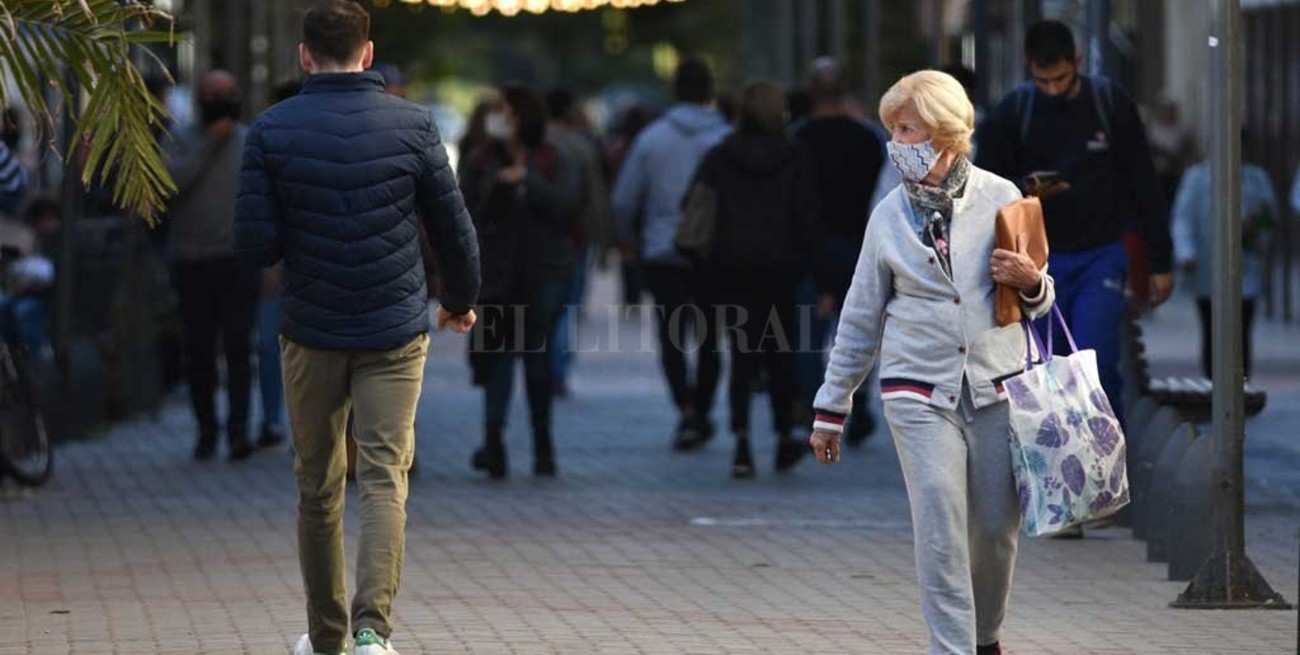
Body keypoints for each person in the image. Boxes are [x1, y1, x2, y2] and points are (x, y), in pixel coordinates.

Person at [234, 2, 480, 654]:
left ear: (304, 55)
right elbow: (454, 229)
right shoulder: (414, 125)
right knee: (383, 477)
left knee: (317, 487)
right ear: (367, 54)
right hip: (394, 328)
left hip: (309, 329)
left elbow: (254, 244)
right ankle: (373, 633)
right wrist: (459, 300)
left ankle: (326, 638)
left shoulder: (270, 130)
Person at [810, 70, 1054, 655]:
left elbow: (1042, 302)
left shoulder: (1002, 197)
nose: (895, 142)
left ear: (944, 133)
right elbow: (860, 315)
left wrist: (1031, 281)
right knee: (941, 528)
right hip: (916, 390)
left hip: (996, 387)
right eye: (893, 129)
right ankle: (951, 648)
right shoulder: (889, 215)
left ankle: (985, 637)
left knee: (994, 530)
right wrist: (831, 407)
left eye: (907, 129)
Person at [976, 20, 1173, 426]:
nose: (1052, 89)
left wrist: (1160, 261)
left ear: (1077, 63)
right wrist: (1026, 188)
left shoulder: (1109, 104)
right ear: (1029, 67)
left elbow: (1144, 181)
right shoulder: (1014, 112)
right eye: (1042, 80)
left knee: (1094, 358)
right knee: (1047, 367)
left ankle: (1107, 451)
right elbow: (985, 187)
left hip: (1101, 252)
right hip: (1037, 262)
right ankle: (1057, 453)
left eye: (1060, 79)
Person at [686, 79, 819, 478]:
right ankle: (783, 434)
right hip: (782, 270)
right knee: (781, 354)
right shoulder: (796, 155)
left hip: (731, 268)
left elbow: (694, 205)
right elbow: (808, 215)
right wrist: (813, 267)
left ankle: (742, 443)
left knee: (742, 356)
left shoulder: (720, 155)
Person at [611, 59, 730, 451]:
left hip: (663, 251)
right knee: (710, 339)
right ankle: (703, 407)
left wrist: (627, 239)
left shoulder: (653, 138)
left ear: (675, 90)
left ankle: (686, 410)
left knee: (672, 338)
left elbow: (624, 199)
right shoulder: (726, 137)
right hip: (713, 253)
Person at [460, 85, 577, 479]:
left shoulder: (552, 157)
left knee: (536, 357)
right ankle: (493, 444)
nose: (498, 118)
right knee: (497, 358)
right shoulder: (480, 159)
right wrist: (501, 186)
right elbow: (466, 211)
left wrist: (529, 181)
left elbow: (567, 206)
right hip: (496, 273)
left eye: (505, 111)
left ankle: (543, 445)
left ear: (524, 117)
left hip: (543, 271)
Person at [791, 57, 887, 447]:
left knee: (809, 335)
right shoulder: (869, 138)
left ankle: (818, 410)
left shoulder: (796, 138)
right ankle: (858, 403)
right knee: (860, 331)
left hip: (808, 247)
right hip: (860, 244)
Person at [166, 70, 260, 462]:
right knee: (199, 351)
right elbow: (169, 184)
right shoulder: (180, 139)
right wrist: (208, 146)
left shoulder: (251, 140)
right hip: (192, 258)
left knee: (239, 347)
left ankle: (239, 432)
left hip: (238, 260)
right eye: (213, 94)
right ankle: (206, 431)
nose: (221, 101)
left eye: (228, 93)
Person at [1171, 139, 1278, 379]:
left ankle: (1241, 385)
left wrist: (1256, 229)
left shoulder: (1256, 178)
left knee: (1241, 332)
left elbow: (1270, 216)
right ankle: (1213, 384)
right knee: (1212, 331)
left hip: (1245, 267)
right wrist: (1186, 253)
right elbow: (1182, 218)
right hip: (1207, 270)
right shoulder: (1197, 177)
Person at [545, 88, 611, 398]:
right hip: (576, 237)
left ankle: (542, 367)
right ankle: (557, 370)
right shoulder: (582, 145)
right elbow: (596, 197)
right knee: (568, 307)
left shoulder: (534, 143)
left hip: (541, 238)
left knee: (542, 305)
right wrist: (603, 241)